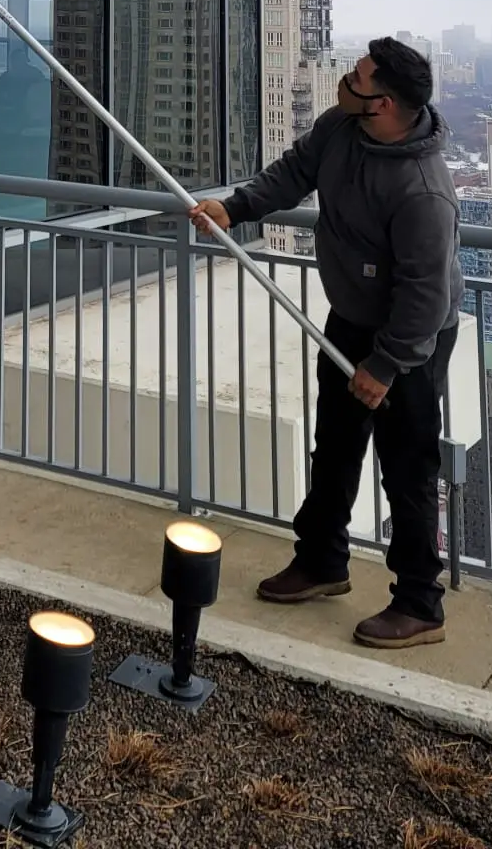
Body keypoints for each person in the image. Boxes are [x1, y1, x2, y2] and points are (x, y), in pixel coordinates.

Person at [191, 36, 461, 649]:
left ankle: (420, 603)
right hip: (352, 316)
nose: (347, 79)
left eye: (359, 77)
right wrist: (235, 209)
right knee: (334, 444)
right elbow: (294, 173)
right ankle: (321, 561)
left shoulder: (423, 191)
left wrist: (386, 366)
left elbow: (426, 296)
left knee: (406, 464)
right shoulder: (342, 126)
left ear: (384, 103)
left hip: (410, 341)